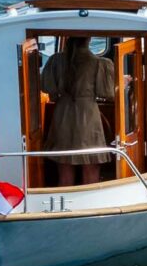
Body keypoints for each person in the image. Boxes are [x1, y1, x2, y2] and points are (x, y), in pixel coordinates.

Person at [38, 37, 118, 185]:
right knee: (91, 167)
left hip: (62, 114)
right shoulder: (99, 63)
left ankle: (64, 204)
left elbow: (46, 86)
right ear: (88, 39)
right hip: (87, 114)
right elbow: (107, 93)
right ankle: (90, 203)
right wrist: (122, 83)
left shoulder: (56, 60)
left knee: (64, 169)